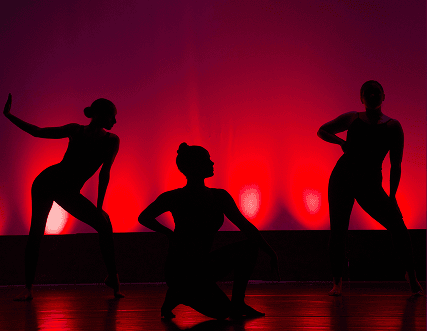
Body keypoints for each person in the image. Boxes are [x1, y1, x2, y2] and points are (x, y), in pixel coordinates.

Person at [3, 94, 124, 300]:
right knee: (36, 232)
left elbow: (105, 174)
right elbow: (38, 132)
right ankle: (28, 288)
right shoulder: (75, 130)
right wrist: (8, 115)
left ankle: (113, 277)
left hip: (67, 191)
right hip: (46, 183)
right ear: (99, 115)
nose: (114, 121)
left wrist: (99, 206)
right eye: (112, 116)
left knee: (104, 224)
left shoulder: (111, 141)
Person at [138, 143, 279, 319]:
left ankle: (237, 303)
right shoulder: (175, 197)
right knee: (221, 313)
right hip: (180, 270)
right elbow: (144, 217)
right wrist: (168, 233)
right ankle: (177, 294)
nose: (212, 163)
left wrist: (270, 251)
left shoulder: (219, 196)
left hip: (203, 266)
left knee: (249, 248)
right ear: (195, 166)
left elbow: (245, 226)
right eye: (207, 160)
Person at [317, 81, 423, 296]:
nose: (372, 95)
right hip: (343, 178)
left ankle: (411, 277)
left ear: (383, 96)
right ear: (361, 97)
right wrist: (341, 142)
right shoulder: (352, 118)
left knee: (397, 225)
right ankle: (337, 282)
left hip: (369, 183)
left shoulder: (393, 126)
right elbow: (322, 131)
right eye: (368, 92)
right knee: (338, 230)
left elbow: (396, 164)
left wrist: (392, 196)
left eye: (376, 92)